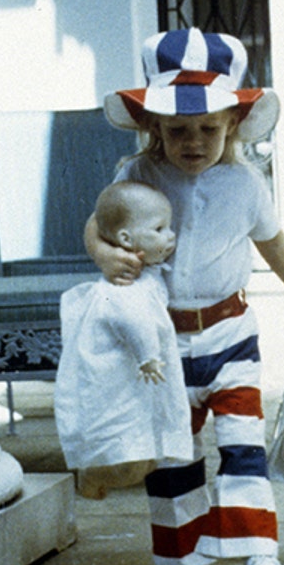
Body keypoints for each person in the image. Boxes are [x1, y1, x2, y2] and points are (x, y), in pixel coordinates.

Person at [87, 29, 284, 565]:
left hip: (229, 334)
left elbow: (274, 242)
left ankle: (259, 554)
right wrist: (104, 252)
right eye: (177, 130)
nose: (193, 141)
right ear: (153, 127)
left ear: (232, 127)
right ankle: (182, 553)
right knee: (173, 450)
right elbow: (98, 224)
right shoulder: (137, 176)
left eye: (208, 129)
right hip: (161, 340)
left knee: (243, 442)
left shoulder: (244, 182)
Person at [55, 181, 194, 500]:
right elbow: (135, 321)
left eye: (169, 227)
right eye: (159, 228)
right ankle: (92, 477)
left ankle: (96, 473)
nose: (170, 236)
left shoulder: (145, 275)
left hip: (138, 380)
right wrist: (148, 356)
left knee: (146, 453)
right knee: (133, 457)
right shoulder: (126, 286)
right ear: (127, 240)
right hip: (133, 375)